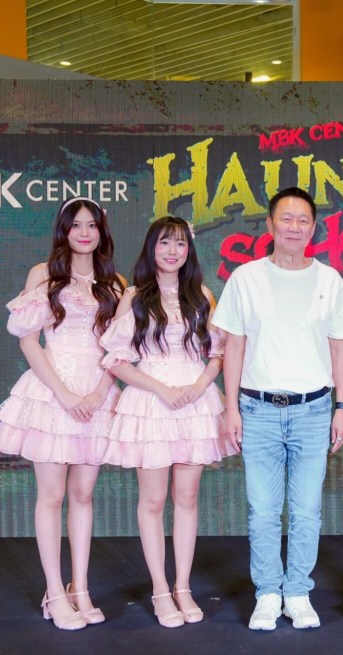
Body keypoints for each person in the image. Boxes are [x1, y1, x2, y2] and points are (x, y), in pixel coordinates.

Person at [212, 187, 343, 631]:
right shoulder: (245, 279)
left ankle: (297, 591)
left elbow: (340, 348)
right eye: (286, 219)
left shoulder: (329, 280)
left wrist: (342, 407)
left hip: (313, 411)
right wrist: (231, 408)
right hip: (257, 410)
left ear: (313, 229)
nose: (294, 227)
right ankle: (266, 593)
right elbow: (234, 346)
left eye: (303, 220)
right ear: (270, 225)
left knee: (306, 510)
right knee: (262, 510)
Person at [0, 197, 124, 630]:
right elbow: (29, 341)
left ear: (102, 232)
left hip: (96, 394)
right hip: (53, 391)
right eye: (76, 225)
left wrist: (101, 391)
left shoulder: (115, 283)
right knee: (51, 495)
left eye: (92, 225)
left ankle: (79, 588)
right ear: (63, 230)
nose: (84, 233)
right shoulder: (44, 274)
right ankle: (54, 592)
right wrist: (64, 393)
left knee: (83, 494)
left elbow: (119, 348)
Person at [100, 216, 238, 628]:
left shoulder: (203, 295)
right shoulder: (135, 296)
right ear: (151, 248)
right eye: (164, 243)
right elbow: (116, 360)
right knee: (153, 499)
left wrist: (199, 385)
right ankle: (160, 590)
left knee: (188, 496)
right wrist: (161, 389)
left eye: (179, 244)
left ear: (189, 250)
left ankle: (183, 587)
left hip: (195, 403)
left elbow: (219, 353)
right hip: (152, 402)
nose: (172, 251)